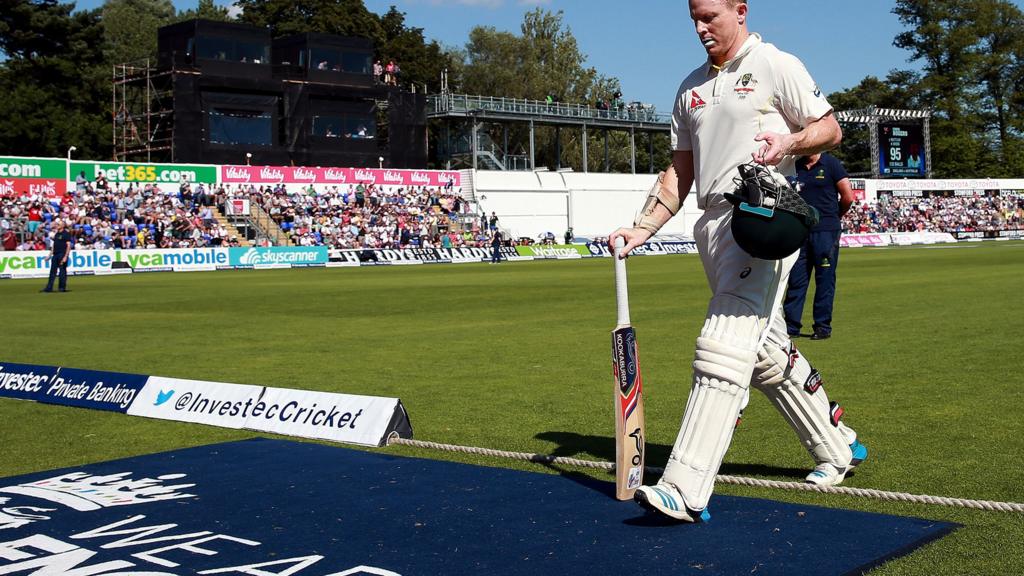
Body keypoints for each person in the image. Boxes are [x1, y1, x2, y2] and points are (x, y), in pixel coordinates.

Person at [609, 0, 866, 522]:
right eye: (694, 20)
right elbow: (681, 172)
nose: (702, 29)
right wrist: (641, 227)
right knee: (766, 352)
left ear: (740, 10)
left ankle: (684, 487)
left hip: (761, 215)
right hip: (710, 224)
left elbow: (829, 128)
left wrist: (789, 140)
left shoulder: (774, 63)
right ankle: (835, 446)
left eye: (711, 17)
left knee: (723, 340)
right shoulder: (689, 88)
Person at [783, 152, 855, 340]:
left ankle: (822, 327)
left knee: (824, 280)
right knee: (796, 280)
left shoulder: (831, 164)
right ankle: (791, 327)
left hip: (826, 231)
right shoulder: (795, 166)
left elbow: (848, 197)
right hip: (800, 231)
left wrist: (833, 216)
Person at [41, 220, 72, 293]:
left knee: (62, 272)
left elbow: (68, 246)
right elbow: (54, 246)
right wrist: (49, 255)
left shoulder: (66, 234)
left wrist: (65, 256)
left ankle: (62, 288)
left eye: (59, 224)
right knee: (52, 272)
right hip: (55, 254)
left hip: (62, 254)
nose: (57, 225)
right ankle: (49, 288)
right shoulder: (57, 234)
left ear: (63, 226)